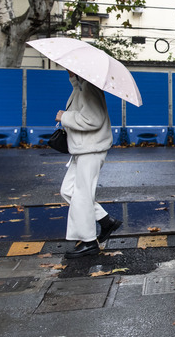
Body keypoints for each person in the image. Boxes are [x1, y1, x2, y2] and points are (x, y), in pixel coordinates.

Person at [56, 71, 121, 259]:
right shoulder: (84, 85)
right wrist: (74, 80)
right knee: (68, 191)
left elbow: (93, 119)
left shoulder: (90, 87)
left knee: (82, 196)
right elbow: (80, 97)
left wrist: (64, 117)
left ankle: (89, 242)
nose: (65, 68)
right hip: (82, 149)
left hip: (90, 150)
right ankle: (105, 220)